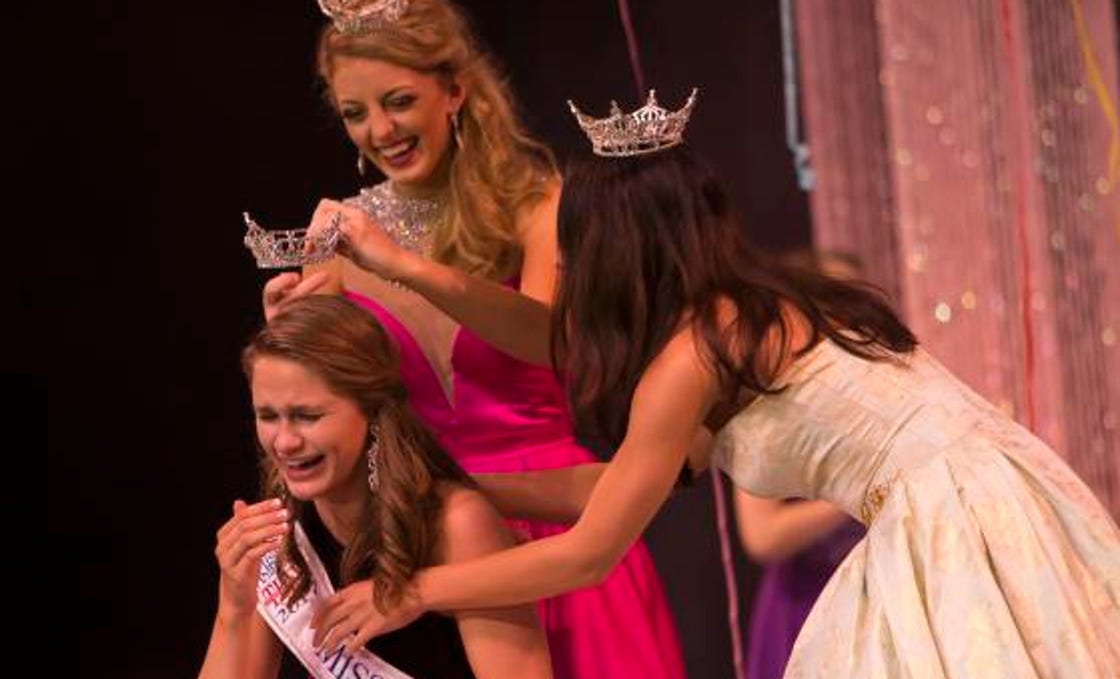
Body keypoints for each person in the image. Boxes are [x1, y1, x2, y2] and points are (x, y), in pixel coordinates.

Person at [310, 89, 1120, 677]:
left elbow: (594, 549)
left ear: (617, 248)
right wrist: (462, 488)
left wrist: (412, 591)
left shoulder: (697, 353)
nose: (561, 261)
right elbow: (614, 485)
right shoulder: (738, 318)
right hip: (985, 490)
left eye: (574, 243)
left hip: (955, 517)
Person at [262, 2, 685, 677]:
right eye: (356, 112)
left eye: (399, 101)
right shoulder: (335, 242)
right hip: (436, 547)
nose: (381, 130)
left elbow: (549, 339)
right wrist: (287, 329)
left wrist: (404, 267)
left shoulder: (536, 204)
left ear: (454, 89)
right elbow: (325, 406)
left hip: (567, 530)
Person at [198, 295, 551, 679]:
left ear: (372, 410)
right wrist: (235, 607)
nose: (284, 442)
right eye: (267, 416)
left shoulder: (456, 523)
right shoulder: (277, 528)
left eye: (307, 416)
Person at [736, 249, 867, 679]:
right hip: (807, 608)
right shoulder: (770, 408)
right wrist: (856, 498)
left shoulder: (879, 399)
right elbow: (762, 535)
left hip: (879, 597)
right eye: (837, 306)